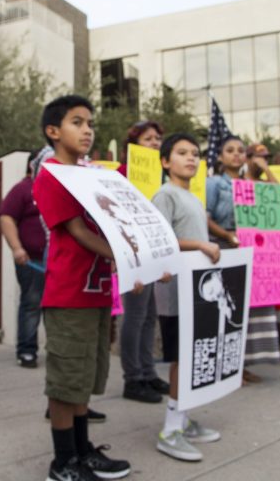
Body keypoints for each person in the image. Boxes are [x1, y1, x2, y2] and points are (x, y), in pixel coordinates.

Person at [33, 95, 133, 481]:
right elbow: (77, 231)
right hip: (69, 295)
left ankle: (82, 451)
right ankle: (63, 463)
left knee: (85, 380)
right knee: (65, 381)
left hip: (97, 294)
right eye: (77, 122)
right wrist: (124, 255)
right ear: (53, 131)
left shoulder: (93, 173)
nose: (88, 130)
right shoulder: (52, 175)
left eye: (90, 123)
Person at [152, 133, 222, 461]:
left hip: (196, 290)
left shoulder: (192, 197)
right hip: (175, 293)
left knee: (194, 356)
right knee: (182, 358)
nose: (191, 158)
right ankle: (170, 430)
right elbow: (161, 239)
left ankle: (184, 416)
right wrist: (202, 246)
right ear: (166, 161)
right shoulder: (165, 194)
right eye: (182, 153)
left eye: (195, 153)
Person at [114, 120, 169, 403]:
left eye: (158, 138)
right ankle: (132, 378)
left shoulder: (161, 177)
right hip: (133, 252)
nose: (156, 143)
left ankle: (148, 372)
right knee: (134, 316)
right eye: (149, 139)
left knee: (149, 316)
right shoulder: (121, 175)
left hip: (154, 250)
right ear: (134, 145)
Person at [0, 151, 47, 368]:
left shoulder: (53, 189)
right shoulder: (23, 189)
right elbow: (6, 217)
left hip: (56, 261)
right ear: (32, 166)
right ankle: (27, 351)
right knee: (32, 303)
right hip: (32, 261)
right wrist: (17, 248)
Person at [241, 143, 280, 378]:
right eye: (258, 157)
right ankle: (240, 367)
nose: (261, 161)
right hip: (244, 248)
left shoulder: (265, 184)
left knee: (260, 310)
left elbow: (277, 199)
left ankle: (252, 362)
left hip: (263, 256)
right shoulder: (238, 184)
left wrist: (266, 170)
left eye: (265, 158)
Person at [206, 135, 246, 248]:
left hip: (247, 244)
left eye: (241, 151)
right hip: (220, 246)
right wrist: (227, 235)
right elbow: (205, 218)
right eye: (230, 150)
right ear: (220, 157)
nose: (236, 154)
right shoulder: (213, 183)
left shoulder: (250, 185)